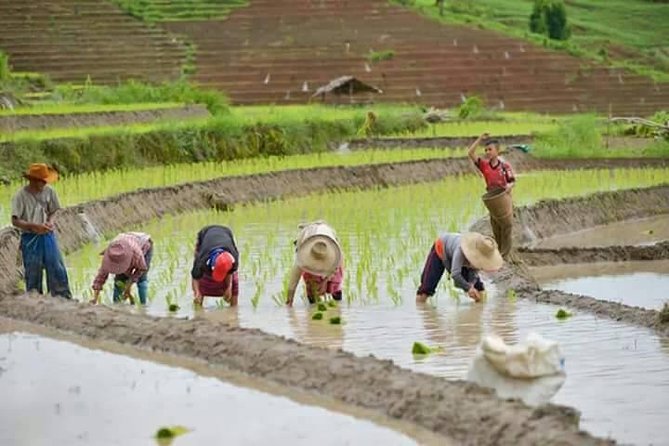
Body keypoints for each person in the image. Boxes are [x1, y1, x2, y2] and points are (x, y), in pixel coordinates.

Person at [11, 163, 71, 298]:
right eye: (42, 181)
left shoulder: (50, 191)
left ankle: (61, 297)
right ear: (32, 180)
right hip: (30, 237)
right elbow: (15, 220)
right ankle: (35, 298)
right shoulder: (20, 196)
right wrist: (34, 226)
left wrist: (50, 222)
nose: (44, 183)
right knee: (33, 270)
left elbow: (54, 210)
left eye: (45, 181)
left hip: (47, 235)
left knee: (56, 266)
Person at [416, 232, 503, 304]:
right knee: (426, 289)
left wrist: (471, 285)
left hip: (461, 258)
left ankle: (477, 313)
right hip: (441, 248)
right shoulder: (461, 250)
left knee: (479, 288)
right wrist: (468, 288)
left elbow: (475, 272)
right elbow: (455, 273)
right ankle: (421, 309)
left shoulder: (482, 256)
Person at [468, 133, 516, 257]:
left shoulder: (504, 166)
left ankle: (505, 255)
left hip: (504, 198)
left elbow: (512, 181)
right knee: (496, 226)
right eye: (486, 150)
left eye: (490, 149)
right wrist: (479, 139)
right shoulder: (484, 165)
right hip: (492, 199)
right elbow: (471, 153)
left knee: (507, 225)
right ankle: (500, 253)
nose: (488, 152)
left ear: (497, 151)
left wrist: (508, 188)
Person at [286, 221, 343, 306]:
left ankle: (338, 307)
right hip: (308, 237)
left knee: (334, 284)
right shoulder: (302, 259)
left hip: (329, 239)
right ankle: (312, 305)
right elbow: (293, 282)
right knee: (312, 286)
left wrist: (324, 282)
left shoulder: (335, 255)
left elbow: (332, 271)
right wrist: (289, 301)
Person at [91, 232, 153, 305]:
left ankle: (144, 305)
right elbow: (100, 277)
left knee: (142, 280)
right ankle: (117, 304)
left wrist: (128, 287)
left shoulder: (136, 253)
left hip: (143, 243)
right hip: (124, 241)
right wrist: (95, 298)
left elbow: (141, 269)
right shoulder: (111, 254)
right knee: (119, 281)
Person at [191, 225, 239, 306]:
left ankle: (233, 312)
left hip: (226, 232)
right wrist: (197, 292)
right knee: (200, 275)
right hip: (205, 233)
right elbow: (194, 277)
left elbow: (230, 272)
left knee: (234, 286)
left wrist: (229, 288)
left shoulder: (234, 258)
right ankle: (198, 305)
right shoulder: (202, 258)